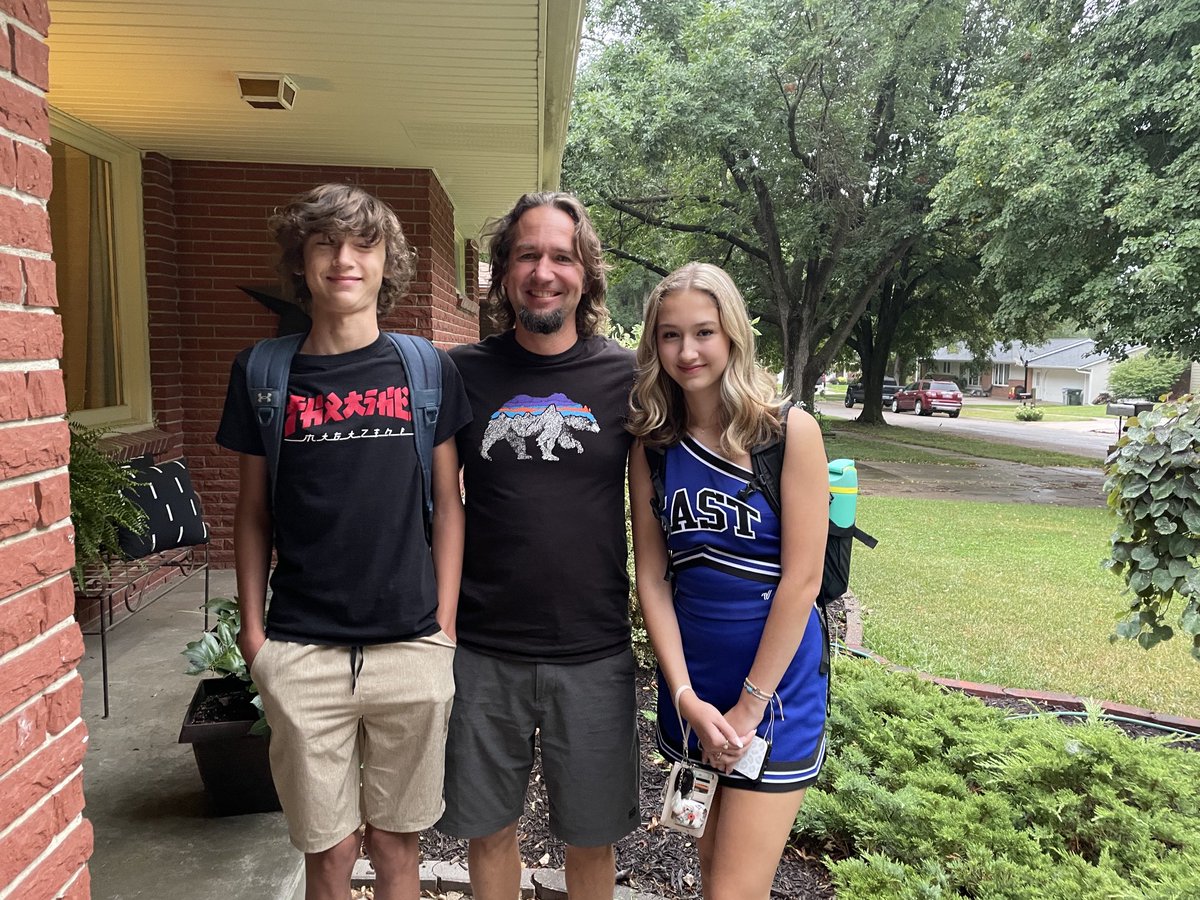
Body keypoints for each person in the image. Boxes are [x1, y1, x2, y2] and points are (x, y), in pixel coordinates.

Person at [215, 183, 471, 900]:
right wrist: (256, 639)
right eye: (325, 243)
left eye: (364, 244)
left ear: (390, 264)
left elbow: (450, 507)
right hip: (303, 652)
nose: (344, 259)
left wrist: (444, 628)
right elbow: (253, 512)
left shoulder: (425, 370)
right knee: (327, 853)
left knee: (396, 847)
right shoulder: (264, 373)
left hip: (411, 649)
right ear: (300, 262)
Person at [436, 192, 639, 900]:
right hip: (484, 650)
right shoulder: (461, 374)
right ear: (502, 270)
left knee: (591, 838)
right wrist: (443, 627)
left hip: (594, 651)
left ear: (585, 274)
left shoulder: (627, 379)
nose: (543, 271)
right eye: (527, 254)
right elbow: (442, 502)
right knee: (487, 832)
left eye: (561, 256)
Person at [627, 262, 830, 900]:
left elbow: (802, 580)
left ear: (733, 335)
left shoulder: (787, 432)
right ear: (653, 345)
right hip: (696, 691)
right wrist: (685, 694)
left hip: (774, 694)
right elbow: (653, 579)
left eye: (704, 332)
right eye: (669, 335)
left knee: (732, 890)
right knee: (713, 872)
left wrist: (749, 706)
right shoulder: (653, 447)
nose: (687, 351)